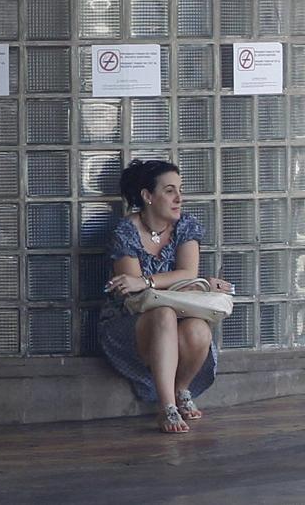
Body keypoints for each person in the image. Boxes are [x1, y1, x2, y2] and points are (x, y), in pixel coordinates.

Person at [101, 159, 233, 434]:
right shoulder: (125, 232)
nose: (179, 198)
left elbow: (187, 272)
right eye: (170, 191)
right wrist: (186, 285)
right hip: (130, 321)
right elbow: (134, 295)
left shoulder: (186, 226)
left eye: (180, 190)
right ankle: (166, 407)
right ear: (147, 196)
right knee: (163, 313)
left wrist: (147, 280)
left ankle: (181, 388)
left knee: (198, 329)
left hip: (178, 316)